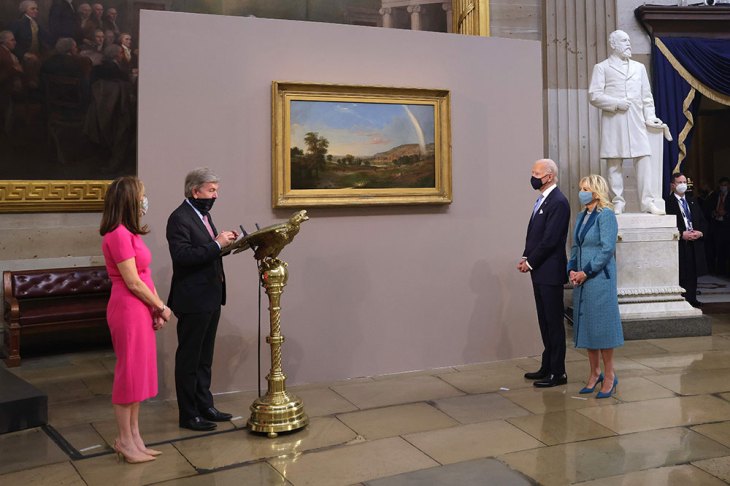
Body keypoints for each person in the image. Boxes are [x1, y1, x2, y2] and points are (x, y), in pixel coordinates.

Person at [100, 176, 172, 463]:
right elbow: (132, 282)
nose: (145, 199)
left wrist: (154, 309)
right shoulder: (117, 234)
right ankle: (124, 441)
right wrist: (161, 306)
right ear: (129, 199)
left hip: (141, 308)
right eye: (142, 195)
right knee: (128, 375)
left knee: (139, 375)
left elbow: (145, 275)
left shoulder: (131, 233)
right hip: (127, 308)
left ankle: (135, 437)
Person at [167, 168, 239, 431]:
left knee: (204, 356)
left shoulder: (203, 214)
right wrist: (217, 245)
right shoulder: (179, 218)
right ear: (195, 191)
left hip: (211, 295)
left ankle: (204, 405)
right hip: (193, 298)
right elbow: (183, 257)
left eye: (216, 190)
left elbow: (207, 252)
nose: (215, 196)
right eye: (211, 190)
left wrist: (226, 245)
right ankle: (188, 414)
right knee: (190, 358)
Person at [589, 30, 665, 215]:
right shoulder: (602, 67)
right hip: (614, 119)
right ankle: (618, 202)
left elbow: (647, 97)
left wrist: (650, 117)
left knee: (644, 159)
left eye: (629, 40)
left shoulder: (639, 68)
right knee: (614, 162)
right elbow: (594, 95)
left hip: (637, 121)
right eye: (624, 41)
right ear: (613, 44)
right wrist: (615, 103)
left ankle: (647, 202)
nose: (629, 44)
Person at [568, 174, 623, 399]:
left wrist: (586, 271)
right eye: (581, 187)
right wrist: (572, 269)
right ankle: (594, 373)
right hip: (581, 279)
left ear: (597, 190)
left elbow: (606, 249)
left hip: (599, 279)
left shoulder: (606, 215)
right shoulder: (582, 216)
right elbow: (575, 245)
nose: (582, 191)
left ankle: (609, 375)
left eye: (586, 188)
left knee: (602, 328)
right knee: (589, 326)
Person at [518, 158, 571, 388]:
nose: (533, 176)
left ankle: (558, 372)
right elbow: (535, 235)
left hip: (549, 271)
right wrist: (526, 257)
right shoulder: (542, 200)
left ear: (549, 176)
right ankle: (547, 365)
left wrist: (530, 263)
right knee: (544, 321)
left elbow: (550, 240)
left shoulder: (558, 202)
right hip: (539, 270)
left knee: (553, 322)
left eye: (536, 172)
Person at [665, 172, 707, 308]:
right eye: (680, 182)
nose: (683, 185)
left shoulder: (692, 200)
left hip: (694, 242)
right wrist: (681, 234)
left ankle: (692, 298)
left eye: (684, 182)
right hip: (679, 242)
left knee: (693, 272)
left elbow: (702, 220)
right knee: (682, 272)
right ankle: (681, 299)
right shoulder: (667, 202)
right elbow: (666, 225)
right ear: (673, 185)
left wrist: (700, 232)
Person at [705, 177, 730, 276]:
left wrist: (726, 213)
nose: (723, 187)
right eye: (721, 185)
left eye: (725, 185)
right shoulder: (715, 196)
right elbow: (708, 209)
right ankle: (718, 271)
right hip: (716, 226)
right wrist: (713, 213)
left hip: (727, 226)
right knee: (717, 249)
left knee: (726, 249)